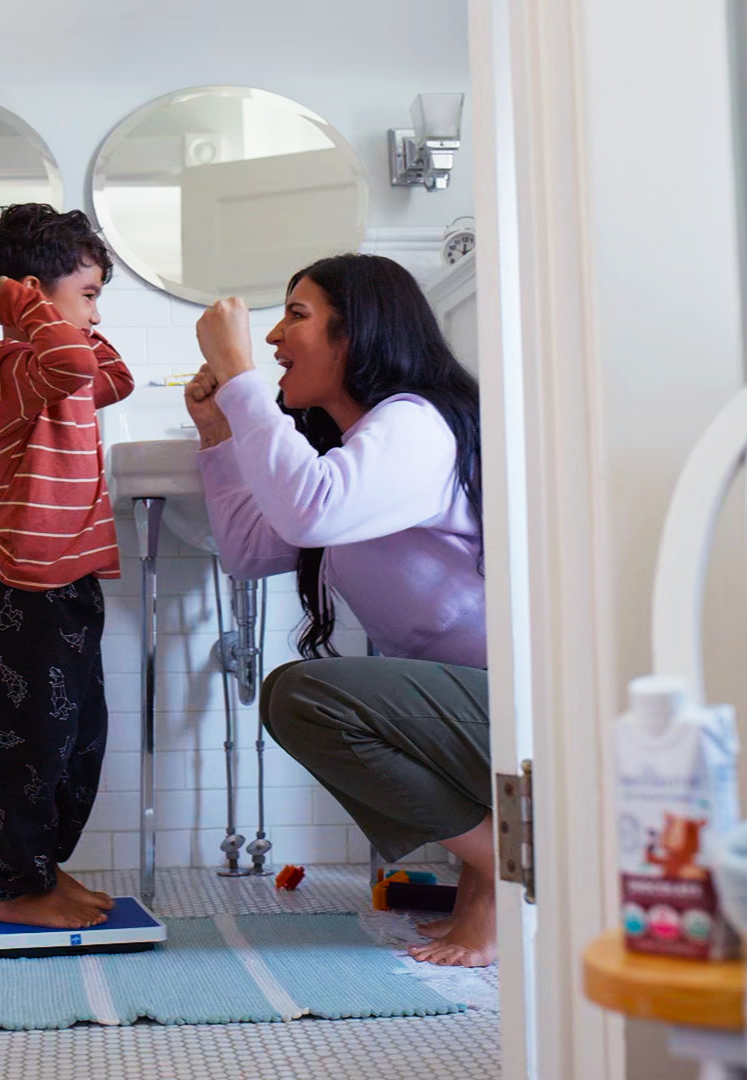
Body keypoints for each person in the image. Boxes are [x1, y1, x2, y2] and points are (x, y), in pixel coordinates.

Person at [183, 253, 493, 967]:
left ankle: (516, 864)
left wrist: (239, 379)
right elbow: (255, 550)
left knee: (305, 696)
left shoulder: (415, 425)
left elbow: (311, 508)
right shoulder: (357, 448)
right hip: (468, 710)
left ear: (358, 335)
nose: (271, 340)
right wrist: (217, 433)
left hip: (521, 709)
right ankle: (500, 874)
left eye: (295, 317)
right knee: (301, 696)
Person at [0, 204, 134, 929]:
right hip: (22, 584)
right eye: (89, 294)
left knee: (76, 738)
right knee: (30, 742)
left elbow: (116, 381)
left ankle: (44, 869)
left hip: (68, 578)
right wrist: (36, 315)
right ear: (31, 295)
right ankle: (19, 886)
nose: (95, 315)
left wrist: (78, 321)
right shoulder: (13, 366)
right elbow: (68, 363)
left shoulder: (59, 361)